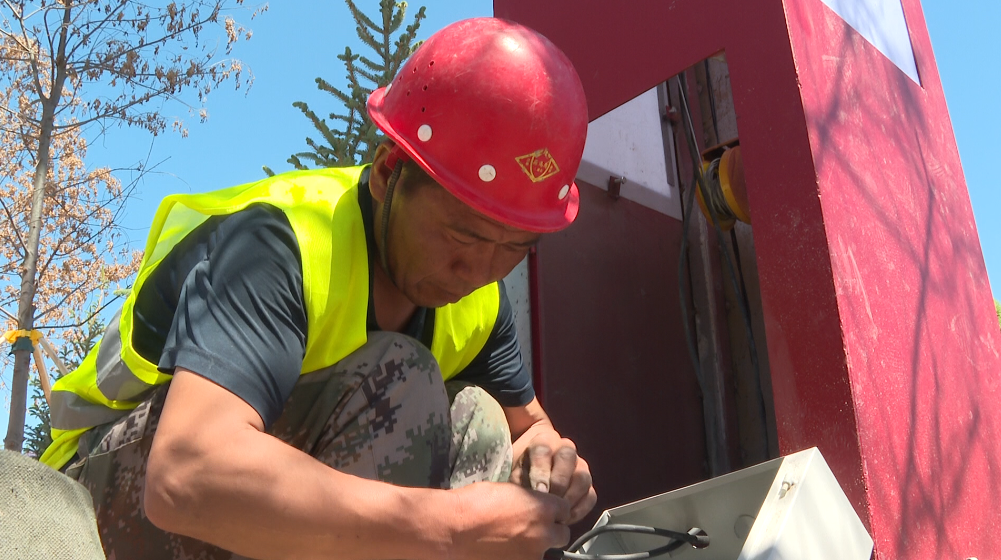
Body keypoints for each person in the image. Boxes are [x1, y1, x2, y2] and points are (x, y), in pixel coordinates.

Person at [40, 17, 594, 560]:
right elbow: (185, 475)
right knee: (401, 379)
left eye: (514, 249)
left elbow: (532, 426)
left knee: (482, 416)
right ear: (386, 173)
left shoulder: (478, 301)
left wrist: (552, 458)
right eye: (460, 235)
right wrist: (449, 529)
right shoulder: (281, 245)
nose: (479, 271)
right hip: (88, 499)